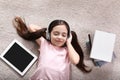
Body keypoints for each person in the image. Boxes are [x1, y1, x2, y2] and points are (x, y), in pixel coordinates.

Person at [12, 16, 91, 80]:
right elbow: (31, 27)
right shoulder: (44, 43)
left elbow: (75, 61)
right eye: (56, 34)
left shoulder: (67, 50)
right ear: (49, 34)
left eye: (63, 35)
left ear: (67, 37)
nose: (59, 37)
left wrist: (68, 43)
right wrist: (46, 33)